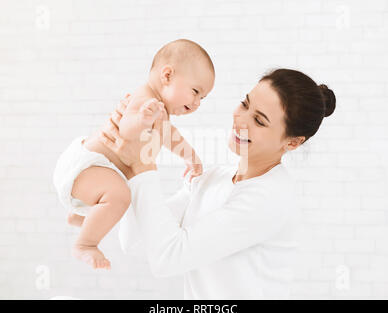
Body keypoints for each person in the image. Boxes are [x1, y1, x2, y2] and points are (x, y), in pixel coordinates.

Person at [100, 68, 336, 299]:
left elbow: (167, 259)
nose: (240, 119)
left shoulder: (268, 198)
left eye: (259, 121)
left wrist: (141, 162)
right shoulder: (213, 178)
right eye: (245, 104)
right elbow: (135, 241)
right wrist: (127, 161)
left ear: (292, 143)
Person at [52, 39, 215, 270]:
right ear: (167, 75)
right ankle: (85, 244)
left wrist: (191, 157)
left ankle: (85, 219)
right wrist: (142, 119)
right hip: (86, 167)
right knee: (120, 196)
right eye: (195, 92)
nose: (198, 102)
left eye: (203, 98)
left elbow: (171, 136)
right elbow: (126, 129)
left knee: (125, 195)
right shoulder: (147, 99)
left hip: (96, 172)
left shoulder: (160, 111)